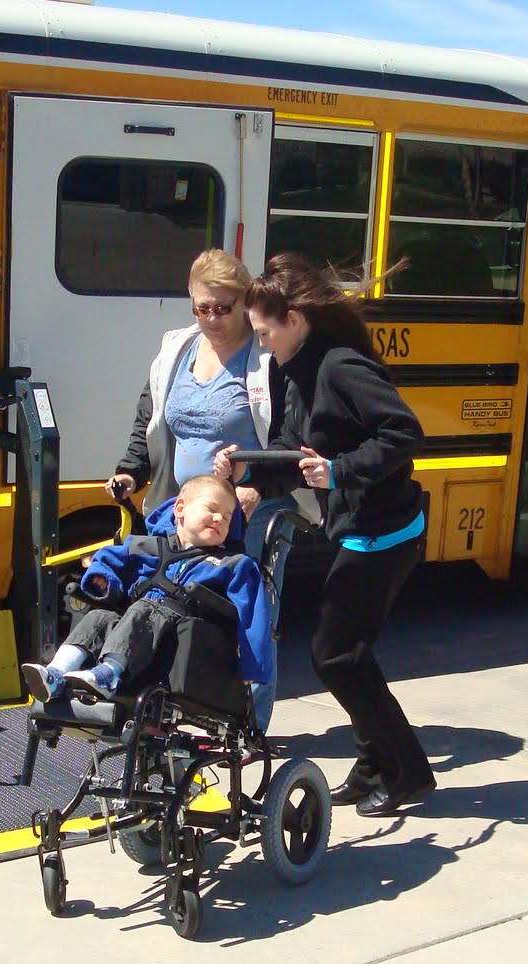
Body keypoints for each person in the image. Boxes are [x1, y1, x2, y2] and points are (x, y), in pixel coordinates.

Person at [215, 253, 434, 818]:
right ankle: (371, 768)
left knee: (335, 655)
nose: (261, 345)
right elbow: (293, 447)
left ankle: (407, 772)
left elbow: (405, 432)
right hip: (358, 530)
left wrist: (340, 472)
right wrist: (250, 473)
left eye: (264, 332)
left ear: (295, 319)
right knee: (345, 654)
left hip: (387, 532)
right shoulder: (296, 369)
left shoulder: (340, 367)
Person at [106, 248, 303, 732]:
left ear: (244, 303)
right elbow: (149, 418)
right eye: (202, 307)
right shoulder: (178, 346)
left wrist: (254, 485)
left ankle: (250, 725)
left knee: (248, 619)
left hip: (250, 510)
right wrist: (132, 470)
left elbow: (294, 432)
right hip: (185, 508)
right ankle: (170, 712)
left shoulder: (266, 358)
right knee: (168, 603)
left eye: (224, 307)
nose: (212, 318)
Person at [22, 474, 272, 706]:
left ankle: (108, 674)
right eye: (212, 510)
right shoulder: (148, 547)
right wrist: (104, 579)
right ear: (180, 509)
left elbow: (252, 617)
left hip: (185, 646)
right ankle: (55, 674)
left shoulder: (233, 564)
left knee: (144, 609)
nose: (220, 519)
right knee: (98, 618)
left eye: (228, 517)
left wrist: (252, 667)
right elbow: (108, 558)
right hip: (138, 639)